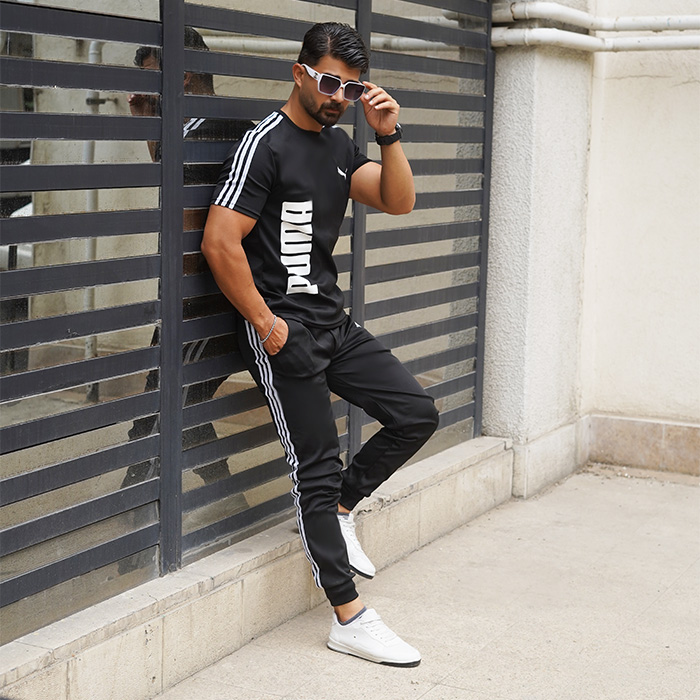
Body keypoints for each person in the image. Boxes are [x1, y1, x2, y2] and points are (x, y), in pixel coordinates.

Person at [202, 22, 438, 667]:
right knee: (316, 464)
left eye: (352, 88)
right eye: (330, 82)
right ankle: (349, 616)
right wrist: (268, 325)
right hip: (283, 330)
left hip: (333, 322)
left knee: (416, 413)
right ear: (299, 72)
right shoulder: (265, 144)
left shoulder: (338, 143)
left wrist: (388, 133)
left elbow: (398, 201)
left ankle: (339, 508)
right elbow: (220, 243)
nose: (339, 97)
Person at [121, 28, 254, 490]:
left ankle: (128, 517)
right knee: (182, 409)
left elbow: (191, 221)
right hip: (195, 301)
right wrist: (146, 116)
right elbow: (172, 174)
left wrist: (177, 306)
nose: (143, 90)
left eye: (151, 79)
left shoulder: (210, 131)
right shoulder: (197, 125)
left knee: (160, 416)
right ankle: (227, 497)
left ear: (182, 76)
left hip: (203, 305)